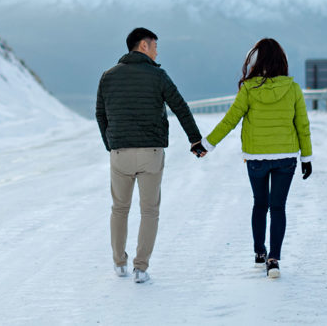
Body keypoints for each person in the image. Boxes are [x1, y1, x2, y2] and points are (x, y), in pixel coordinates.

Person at [96, 27, 206, 283]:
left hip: (120, 153)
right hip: (151, 153)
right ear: (143, 46)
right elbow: (180, 107)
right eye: (155, 46)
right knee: (149, 211)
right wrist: (195, 141)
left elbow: (100, 115)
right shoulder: (158, 76)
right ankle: (141, 268)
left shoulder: (107, 76)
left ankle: (119, 263)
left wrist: (110, 144)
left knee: (119, 208)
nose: (157, 52)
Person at [198, 38, 312, 278]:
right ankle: (274, 260)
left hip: (257, 157)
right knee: (278, 207)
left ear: (257, 61)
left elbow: (230, 120)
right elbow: (302, 125)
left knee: (260, 204)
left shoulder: (249, 89)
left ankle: (260, 253)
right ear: (282, 61)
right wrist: (307, 158)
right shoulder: (293, 89)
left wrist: (206, 144)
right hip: (286, 157)